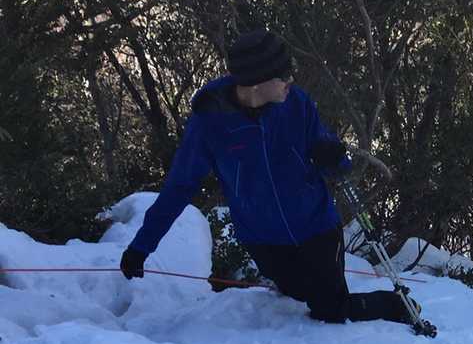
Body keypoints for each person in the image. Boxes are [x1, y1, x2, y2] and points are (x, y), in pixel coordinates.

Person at [119, 28, 411, 326]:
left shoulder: (297, 104)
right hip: (262, 238)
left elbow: (333, 161)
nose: (291, 80)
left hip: (316, 225)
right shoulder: (211, 123)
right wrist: (141, 246)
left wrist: (334, 158)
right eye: (283, 75)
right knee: (296, 293)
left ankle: (394, 305)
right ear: (257, 82)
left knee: (330, 309)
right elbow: (180, 186)